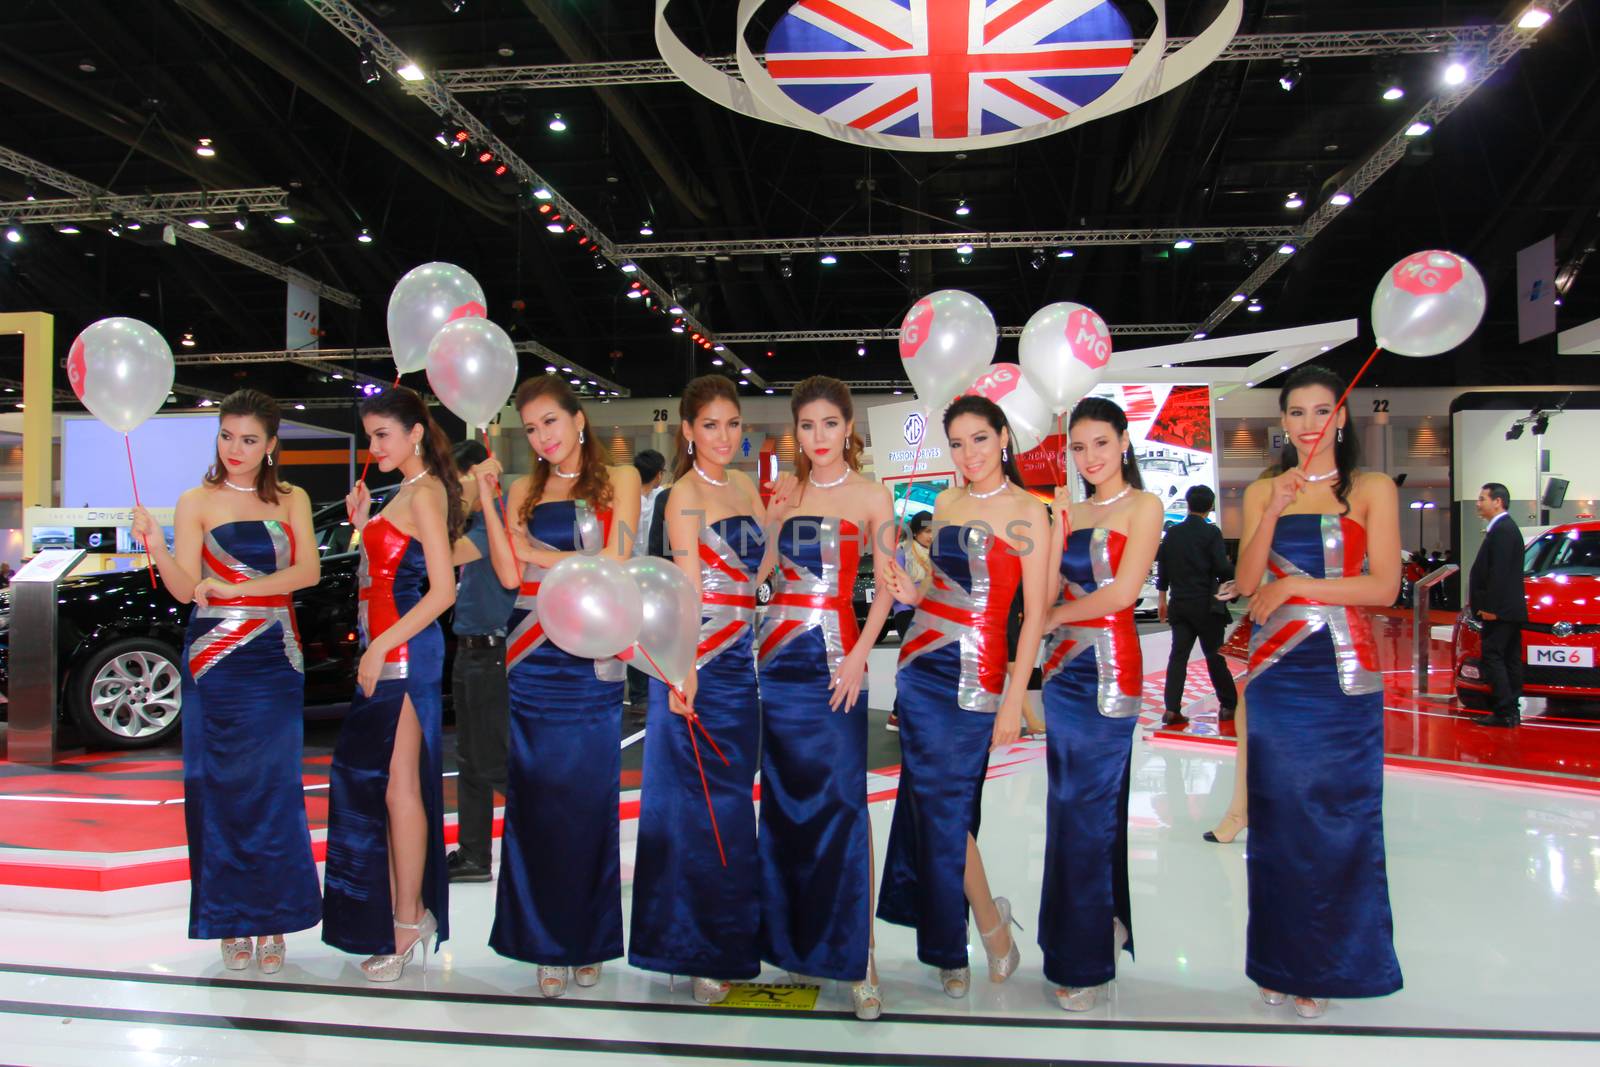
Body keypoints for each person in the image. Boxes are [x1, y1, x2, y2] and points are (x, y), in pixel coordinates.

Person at [1233, 364, 1402, 1019]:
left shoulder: (1372, 488)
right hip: (1277, 678)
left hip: (1340, 676)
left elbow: (1382, 586)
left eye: (1322, 410)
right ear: (1283, 422)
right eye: (1297, 412)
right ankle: (1279, 961)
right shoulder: (1263, 490)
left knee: (1338, 822)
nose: (1310, 423)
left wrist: (1298, 588)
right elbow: (1249, 581)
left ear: (1342, 415)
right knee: (1276, 821)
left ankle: (1328, 965)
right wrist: (1272, 511)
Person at [132, 389, 321, 974]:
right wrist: (158, 547)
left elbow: (308, 571)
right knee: (219, 790)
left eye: (248, 439)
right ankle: (233, 920)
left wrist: (239, 590)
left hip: (274, 656)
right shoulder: (195, 500)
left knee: (275, 788)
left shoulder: (293, 498)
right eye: (226, 435)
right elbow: (186, 588)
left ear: (270, 447)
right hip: (215, 659)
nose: (235, 448)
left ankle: (275, 919)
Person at [877, 395, 1050, 999]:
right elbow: (936, 588)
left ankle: (990, 929)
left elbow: (1032, 619)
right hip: (922, 669)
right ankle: (961, 944)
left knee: (947, 810)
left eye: (979, 438)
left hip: (979, 680)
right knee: (937, 806)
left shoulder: (1031, 511)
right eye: (956, 443)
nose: (968, 453)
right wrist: (910, 586)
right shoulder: (945, 503)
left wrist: (1013, 701)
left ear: (1003, 437)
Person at [491, 376, 641, 998]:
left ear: (579, 420)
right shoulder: (521, 487)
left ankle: (588, 938)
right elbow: (506, 571)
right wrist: (490, 501)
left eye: (551, 421)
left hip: (590, 658)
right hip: (531, 656)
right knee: (536, 804)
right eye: (531, 428)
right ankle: (544, 943)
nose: (543, 437)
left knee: (587, 805)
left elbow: (619, 560)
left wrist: (539, 555)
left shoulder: (621, 480)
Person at [757, 376, 895, 1020]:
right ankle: (795, 942)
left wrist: (862, 655)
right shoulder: (787, 491)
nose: (819, 438)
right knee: (784, 807)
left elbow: (889, 589)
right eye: (807, 427)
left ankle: (860, 954)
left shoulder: (874, 496)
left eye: (829, 425)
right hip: (777, 663)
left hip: (838, 660)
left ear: (849, 428)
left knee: (845, 804)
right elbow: (758, 573)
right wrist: (772, 515)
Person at [630, 375, 767, 1005]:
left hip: (745, 664)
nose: (723, 436)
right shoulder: (681, 496)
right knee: (699, 812)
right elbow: (686, 593)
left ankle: (730, 940)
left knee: (733, 810)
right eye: (709, 425)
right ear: (687, 432)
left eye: (732, 424)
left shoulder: (743, 486)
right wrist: (683, 674)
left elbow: (759, 570)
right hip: (701, 668)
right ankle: (698, 949)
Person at [322, 386, 463, 982]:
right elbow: (384, 573)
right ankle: (405, 913)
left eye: (383, 434)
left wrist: (381, 645)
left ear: (414, 434)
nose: (374, 444)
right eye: (370, 434)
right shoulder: (405, 492)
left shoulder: (425, 492)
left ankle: (410, 919)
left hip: (404, 657)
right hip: (386, 653)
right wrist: (362, 525)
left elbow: (442, 589)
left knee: (400, 789)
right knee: (385, 789)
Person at [1036, 396, 1162, 1011]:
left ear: (1124, 441)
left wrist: (1054, 613)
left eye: (1101, 444)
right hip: (1061, 673)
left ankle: (1085, 961)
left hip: (1111, 670)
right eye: (1079, 447)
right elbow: (1049, 583)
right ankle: (1094, 928)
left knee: (1091, 812)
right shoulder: (1069, 509)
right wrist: (1049, 540)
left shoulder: (1146, 506)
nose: (1090, 458)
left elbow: (1125, 591)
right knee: (1069, 811)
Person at [443, 439, 519, 884]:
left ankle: (540, 839)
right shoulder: (477, 519)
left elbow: (447, 554)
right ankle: (473, 855)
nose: (455, 494)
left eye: (458, 484)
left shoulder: (496, 519)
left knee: (493, 760)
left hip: (493, 653)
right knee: (470, 759)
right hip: (469, 651)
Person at [1156, 484, 1239, 727]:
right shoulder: (1211, 533)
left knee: (1178, 657)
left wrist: (1162, 598)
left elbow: (1163, 568)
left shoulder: (1172, 533)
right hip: (1205, 605)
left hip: (1179, 604)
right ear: (1211, 506)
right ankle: (1228, 705)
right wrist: (1233, 573)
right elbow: (1221, 569)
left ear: (1188, 503)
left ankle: (1172, 710)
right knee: (1214, 656)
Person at [1468, 482, 1526, 727]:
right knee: (1509, 658)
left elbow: (1498, 574)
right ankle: (1511, 709)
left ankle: (1504, 710)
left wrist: (1490, 608)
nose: (1478, 504)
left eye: (1482, 499)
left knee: (1494, 656)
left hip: (1500, 611)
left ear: (1497, 502)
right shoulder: (1504, 528)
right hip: (1508, 609)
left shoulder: (1502, 530)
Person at [627, 448, 668, 716]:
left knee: (633, 637)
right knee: (654, 636)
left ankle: (639, 697)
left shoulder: (627, 500)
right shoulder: (658, 499)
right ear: (658, 475)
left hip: (626, 576)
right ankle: (653, 693)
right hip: (652, 576)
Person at [885, 511, 933, 732]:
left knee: (921, 662)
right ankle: (900, 713)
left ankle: (899, 713)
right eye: (927, 531)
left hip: (930, 612)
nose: (931, 536)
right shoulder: (902, 552)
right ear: (915, 532)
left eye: (934, 531)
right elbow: (896, 585)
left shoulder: (936, 553)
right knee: (914, 660)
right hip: (906, 611)